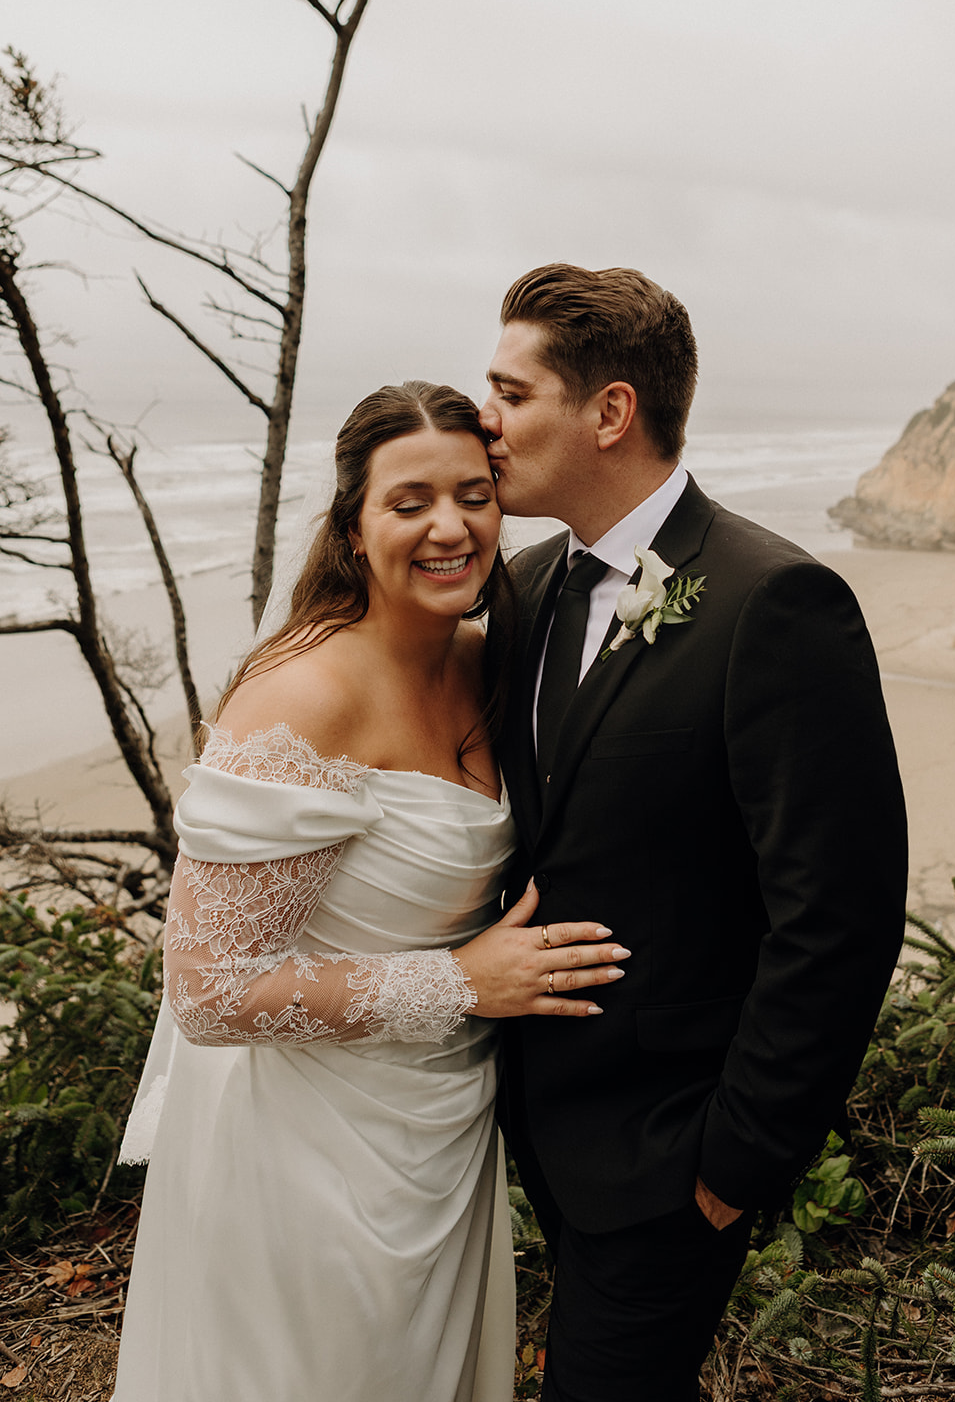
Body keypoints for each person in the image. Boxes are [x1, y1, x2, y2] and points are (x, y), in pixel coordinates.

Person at [111, 381, 628, 1402]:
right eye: (409, 501)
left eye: (474, 494)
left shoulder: (487, 662)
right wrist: (458, 982)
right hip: (299, 1154)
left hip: (440, 1130)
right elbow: (207, 993)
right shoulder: (305, 696)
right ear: (353, 526)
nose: (450, 526)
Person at [480, 266, 909, 1402]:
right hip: (531, 1142)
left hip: (674, 1157)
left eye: (509, 393)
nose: (485, 421)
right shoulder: (521, 591)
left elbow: (839, 910)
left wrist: (735, 1160)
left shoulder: (774, 602)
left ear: (607, 411)